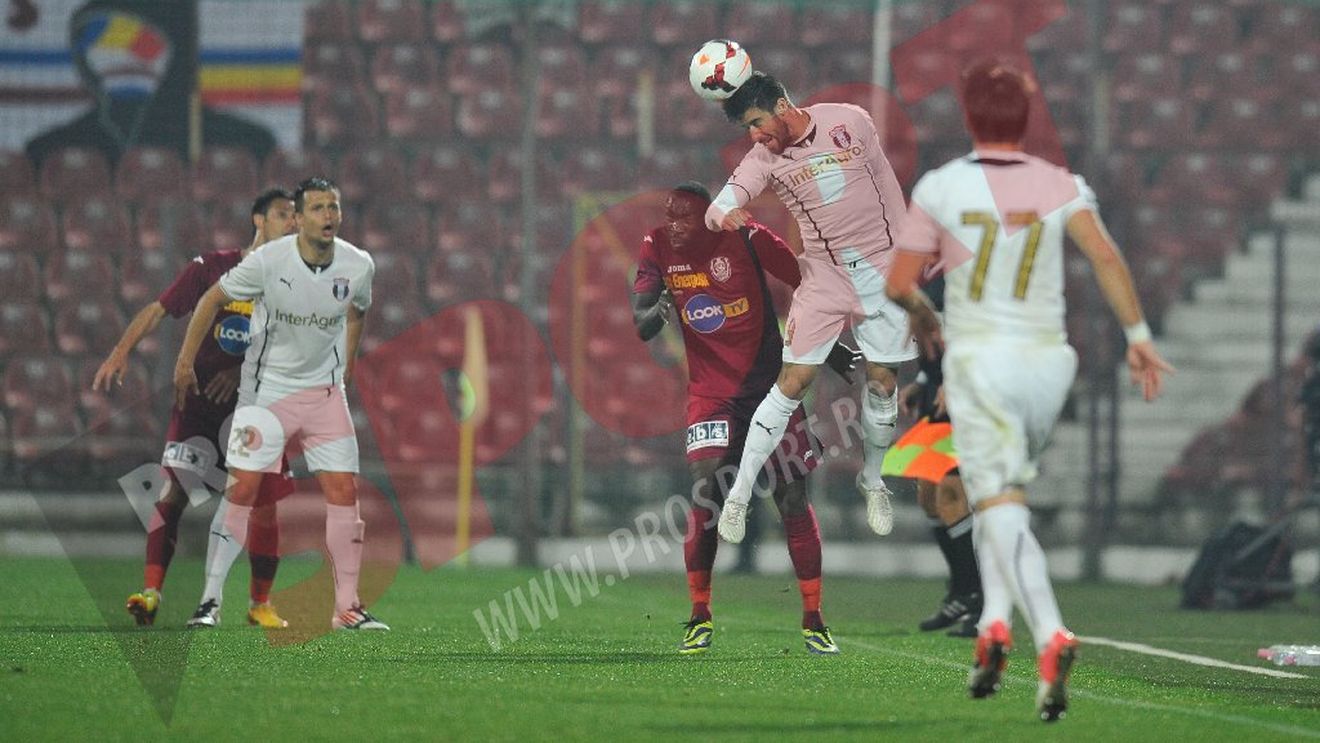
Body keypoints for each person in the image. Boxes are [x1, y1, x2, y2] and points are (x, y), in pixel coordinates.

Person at [885, 60, 1173, 722]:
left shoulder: (942, 184)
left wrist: (928, 318)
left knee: (1000, 501)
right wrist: (1138, 334)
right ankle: (992, 622)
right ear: (1028, 118)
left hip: (982, 362)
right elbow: (1103, 254)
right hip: (1049, 364)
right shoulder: (1059, 182)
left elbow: (901, 283)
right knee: (997, 497)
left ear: (969, 118)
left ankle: (1048, 632)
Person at [633, 182, 860, 655]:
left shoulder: (749, 238)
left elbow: (806, 281)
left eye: (686, 219)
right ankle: (698, 616)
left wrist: (828, 345)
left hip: (770, 390)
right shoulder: (656, 245)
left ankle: (814, 620)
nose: (675, 227)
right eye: (670, 216)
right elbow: (641, 322)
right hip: (712, 395)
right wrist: (658, 310)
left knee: (792, 494)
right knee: (706, 489)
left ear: (711, 218)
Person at [704, 72, 916, 544]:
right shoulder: (764, 158)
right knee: (792, 383)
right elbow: (716, 208)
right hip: (824, 276)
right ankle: (738, 496)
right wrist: (728, 213)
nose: (754, 135)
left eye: (757, 122)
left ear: (782, 106)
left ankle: (873, 479)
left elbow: (883, 182)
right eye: (747, 130)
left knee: (883, 384)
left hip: (884, 269)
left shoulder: (852, 122)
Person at [173, 176, 386, 631]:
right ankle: (209, 600)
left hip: (326, 396)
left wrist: (347, 362)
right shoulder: (268, 262)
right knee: (244, 490)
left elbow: (358, 310)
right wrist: (185, 361)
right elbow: (212, 298)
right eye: (317, 208)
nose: (328, 216)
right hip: (266, 392)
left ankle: (348, 608)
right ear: (299, 218)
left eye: (333, 207)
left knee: (344, 493)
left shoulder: (358, 264)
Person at [96, 188, 296, 629]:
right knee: (174, 494)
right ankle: (150, 593)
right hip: (201, 406)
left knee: (262, 508)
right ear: (258, 220)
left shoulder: (293, 279)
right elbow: (159, 309)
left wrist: (242, 369)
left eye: (296, 216)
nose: (294, 222)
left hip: (258, 408)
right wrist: (121, 350)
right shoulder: (214, 267)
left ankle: (259, 603)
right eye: (284, 214)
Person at [884, 274, 982, 638]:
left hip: (966, 403)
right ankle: (960, 589)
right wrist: (922, 384)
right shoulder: (928, 319)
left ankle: (978, 596)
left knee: (952, 494)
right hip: (937, 405)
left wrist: (956, 382)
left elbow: (975, 349)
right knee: (928, 496)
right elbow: (935, 363)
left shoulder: (953, 308)